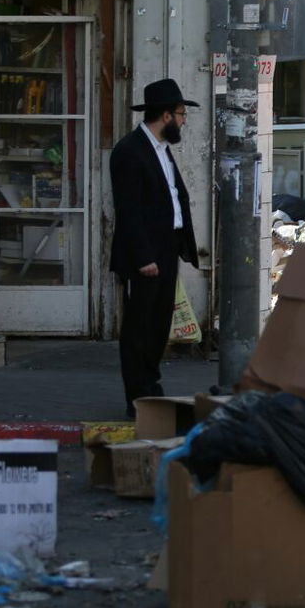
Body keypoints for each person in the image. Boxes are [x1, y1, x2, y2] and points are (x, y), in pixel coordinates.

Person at [109, 79, 201, 419]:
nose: (184, 121)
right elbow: (129, 209)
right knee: (139, 326)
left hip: (167, 246)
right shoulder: (130, 151)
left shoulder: (161, 149)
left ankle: (152, 386)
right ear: (165, 115)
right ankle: (137, 396)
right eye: (181, 114)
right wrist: (144, 257)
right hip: (144, 254)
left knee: (160, 323)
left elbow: (173, 198)